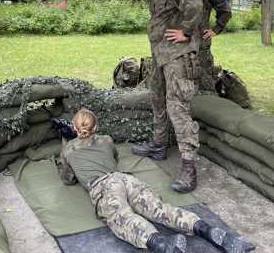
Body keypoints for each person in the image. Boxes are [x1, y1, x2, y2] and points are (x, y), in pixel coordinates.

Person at [58, 108, 254, 253]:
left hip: (103, 187)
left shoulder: (68, 150)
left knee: (123, 219)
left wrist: (66, 145)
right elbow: (113, 156)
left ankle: (162, 245)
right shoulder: (107, 140)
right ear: (96, 127)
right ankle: (208, 230)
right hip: (125, 179)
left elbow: (68, 179)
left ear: (74, 128)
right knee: (160, 209)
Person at [125, 0, 203, 193]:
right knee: (157, 97)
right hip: (161, 55)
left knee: (176, 107)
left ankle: (189, 167)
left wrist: (186, 31)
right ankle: (159, 145)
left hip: (177, 57)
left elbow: (195, 5)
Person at [169, 0, 232, 91]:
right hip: (179, 45)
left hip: (201, 45)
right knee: (180, 82)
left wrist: (216, 29)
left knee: (204, 81)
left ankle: (209, 104)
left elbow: (225, 10)